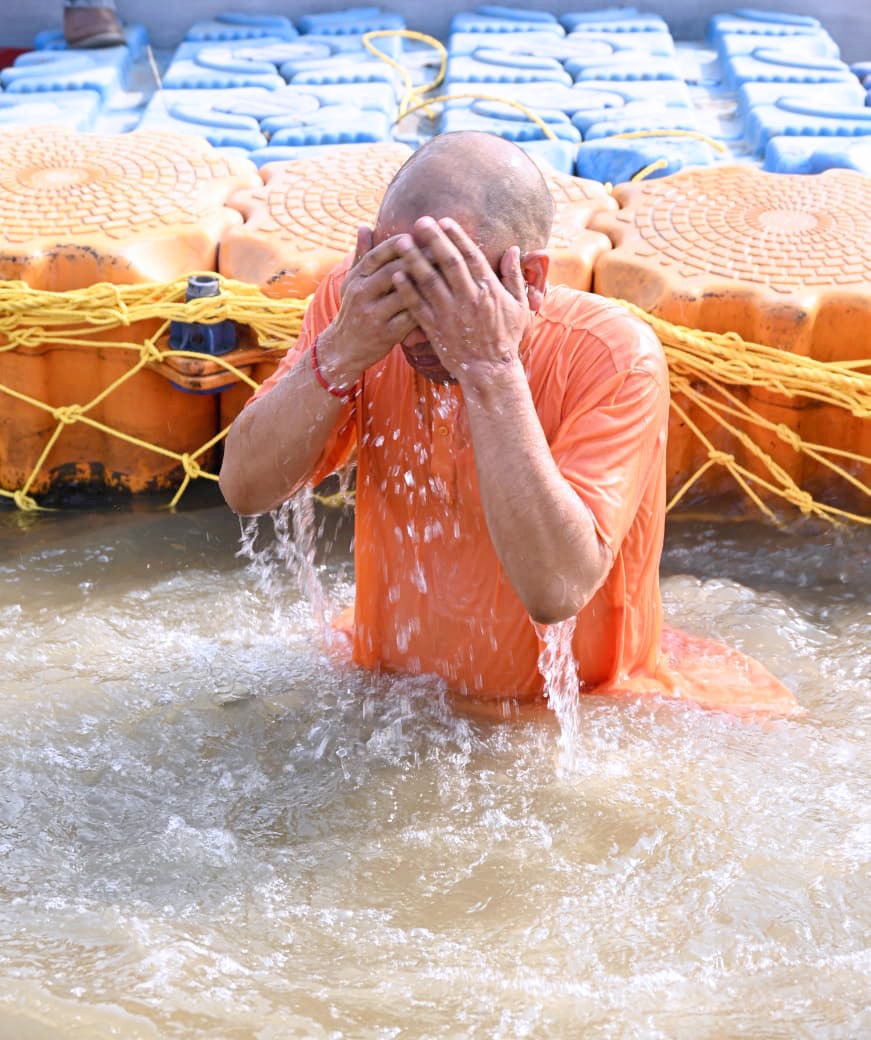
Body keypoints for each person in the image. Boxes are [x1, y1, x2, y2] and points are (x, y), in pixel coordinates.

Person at [219, 131, 800, 718]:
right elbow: (244, 489)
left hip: (574, 714)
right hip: (388, 689)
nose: (413, 322)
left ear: (531, 278)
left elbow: (557, 589)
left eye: (450, 286)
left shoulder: (613, 357)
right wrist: (342, 349)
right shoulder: (362, 310)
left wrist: (489, 366)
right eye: (399, 278)